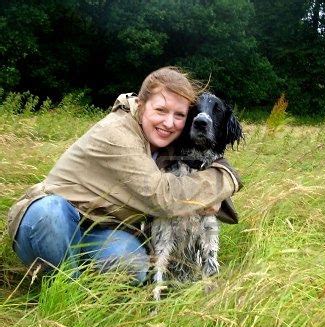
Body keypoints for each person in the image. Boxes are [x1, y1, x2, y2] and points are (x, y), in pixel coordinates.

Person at [7, 66, 242, 284]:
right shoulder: (117, 133)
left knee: (133, 263)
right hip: (46, 223)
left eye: (179, 115)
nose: (169, 122)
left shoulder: (163, 140)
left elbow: (193, 177)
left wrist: (215, 197)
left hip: (97, 229)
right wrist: (228, 177)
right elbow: (163, 196)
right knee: (51, 213)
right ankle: (66, 292)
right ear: (140, 105)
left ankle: (82, 280)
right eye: (160, 110)